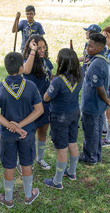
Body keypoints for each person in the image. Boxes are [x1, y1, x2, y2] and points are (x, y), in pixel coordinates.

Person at [0, 52, 44, 208]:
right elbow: (39, 110)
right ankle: (28, 196)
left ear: (6, 67)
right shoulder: (31, 86)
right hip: (27, 133)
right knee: (26, 164)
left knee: (9, 166)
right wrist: (21, 125)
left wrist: (11, 125)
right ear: (22, 68)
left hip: (7, 134)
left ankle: (8, 199)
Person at [43, 48, 83, 189]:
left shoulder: (58, 81)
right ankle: (72, 172)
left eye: (58, 59)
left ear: (62, 63)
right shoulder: (80, 74)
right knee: (72, 142)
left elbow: (46, 97)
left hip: (59, 117)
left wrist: (51, 83)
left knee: (61, 149)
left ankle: (57, 181)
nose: (56, 60)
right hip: (74, 113)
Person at [79, 33, 110, 165]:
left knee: (90, 132)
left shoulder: (96, 64)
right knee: (97, 131)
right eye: (88, 44)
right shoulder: (105, 59)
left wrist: (108, 100)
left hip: (92, 105)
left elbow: (99, 89)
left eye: (91, 46)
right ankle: (96, 154)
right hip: (99, 106)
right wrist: (109, 98)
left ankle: (90, 157)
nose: (88, 48)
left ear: (100, 47)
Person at [21, 35, 53, 171]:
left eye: (43, 47)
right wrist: (33, 51)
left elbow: (50, 77)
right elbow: (26, 71)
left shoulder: (46, 61)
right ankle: (23, 161)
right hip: (32, 104)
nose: (42, 50)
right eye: (38, 47)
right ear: (31, 47)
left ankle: (39, 158)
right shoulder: (28, 61)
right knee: (29, 133)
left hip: (45, 102)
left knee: (43, 131)